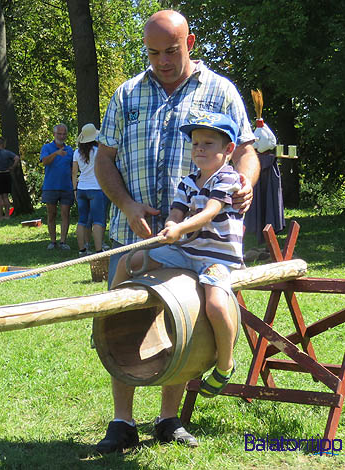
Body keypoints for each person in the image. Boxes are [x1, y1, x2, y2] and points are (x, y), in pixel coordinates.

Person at [93, 10, 259, 452]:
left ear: (191, 41)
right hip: (134, 233)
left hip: (196, 243)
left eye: (171, 51)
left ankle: (168, 419)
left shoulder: (220, 90)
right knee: (119, 321)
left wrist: (245, 184)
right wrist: (127, 206)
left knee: (181, 321)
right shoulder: (126, 94)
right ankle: (122, 421)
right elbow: (103, 160)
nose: (162, 61)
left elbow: (246, 152)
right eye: (152, 52)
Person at [115, 112, 244, 395]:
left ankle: (225, 364)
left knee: (216, 305)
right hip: (186, 252)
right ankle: (110, 317)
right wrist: (172, 225)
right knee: (129, 262)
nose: (199, 148)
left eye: (208, 143)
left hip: (216, 258)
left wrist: (180, 228)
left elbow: (210, 211)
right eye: (196, 143)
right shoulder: (188, 182)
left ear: (229, 150)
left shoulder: (228, 178)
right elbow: (176, 212)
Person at [71, 123, 108, 256]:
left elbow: (74, 173)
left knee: (82, 220)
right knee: (98, 220)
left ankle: (82, 250)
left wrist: (74, 190)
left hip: (81, 189)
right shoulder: (99, 151)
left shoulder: (76, 152)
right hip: (96, 189)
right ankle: (99, 250)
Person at [40, 124, 74, 250]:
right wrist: (56, 153)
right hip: (50, 186)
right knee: (52, 214)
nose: (62, 136)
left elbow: (73, 168)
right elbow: (44, 162)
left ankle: (63, 241)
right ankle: (52, 241)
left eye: (64, 134)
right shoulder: (47, 147)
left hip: (66, 187)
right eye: (59, 134)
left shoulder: (70, 150)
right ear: (54, 134)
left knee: (65, 214)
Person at [0, 137, 19, 220]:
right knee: (5, 196)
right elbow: (17, 158)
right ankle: (7, 215)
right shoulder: (7, 152)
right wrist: (12, 167)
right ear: (4, 144)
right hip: (6, 174)